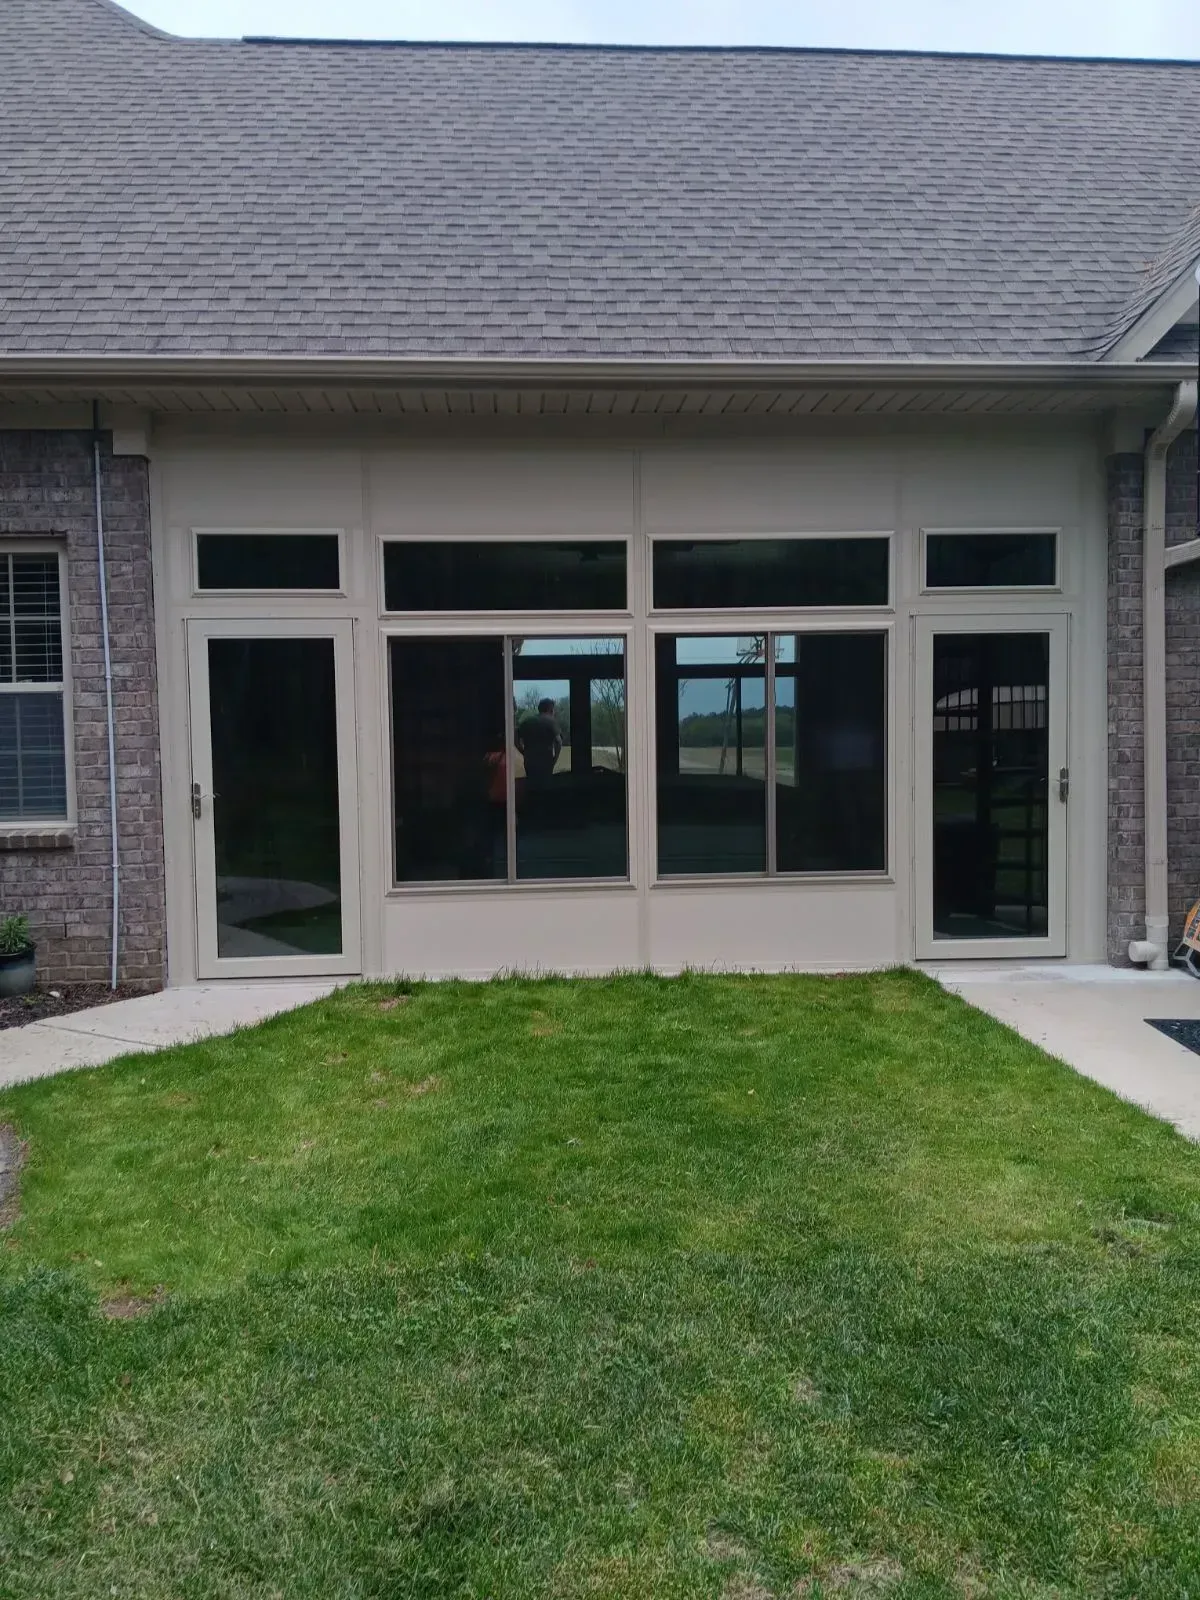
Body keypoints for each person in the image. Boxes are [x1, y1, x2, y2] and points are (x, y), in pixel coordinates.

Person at [517, 698, 563, 782]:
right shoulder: (551, 721)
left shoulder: (527, 721)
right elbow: (558, 741)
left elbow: (516, 739)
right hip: (545, 761)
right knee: (545, 788)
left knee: (531, 786)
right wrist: (554, 759)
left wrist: (524, 752)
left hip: (529, 761)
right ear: (550, 709)